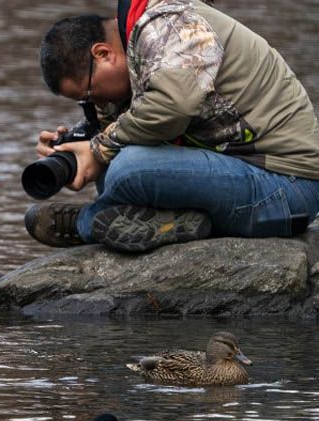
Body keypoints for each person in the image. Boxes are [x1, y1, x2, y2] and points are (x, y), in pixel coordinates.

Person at [26, 0, 319, 252]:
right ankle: (178, 223)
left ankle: (84, 224)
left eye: (89, 95)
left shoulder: (168, 25)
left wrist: (100, 147)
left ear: (103, 53)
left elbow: (175, 106)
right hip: (250, 177)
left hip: (288, 188)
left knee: (128, 168)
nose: (95, 103)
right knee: (111, 174)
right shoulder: (142, 41)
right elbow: (142, 114)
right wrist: (74, 148)